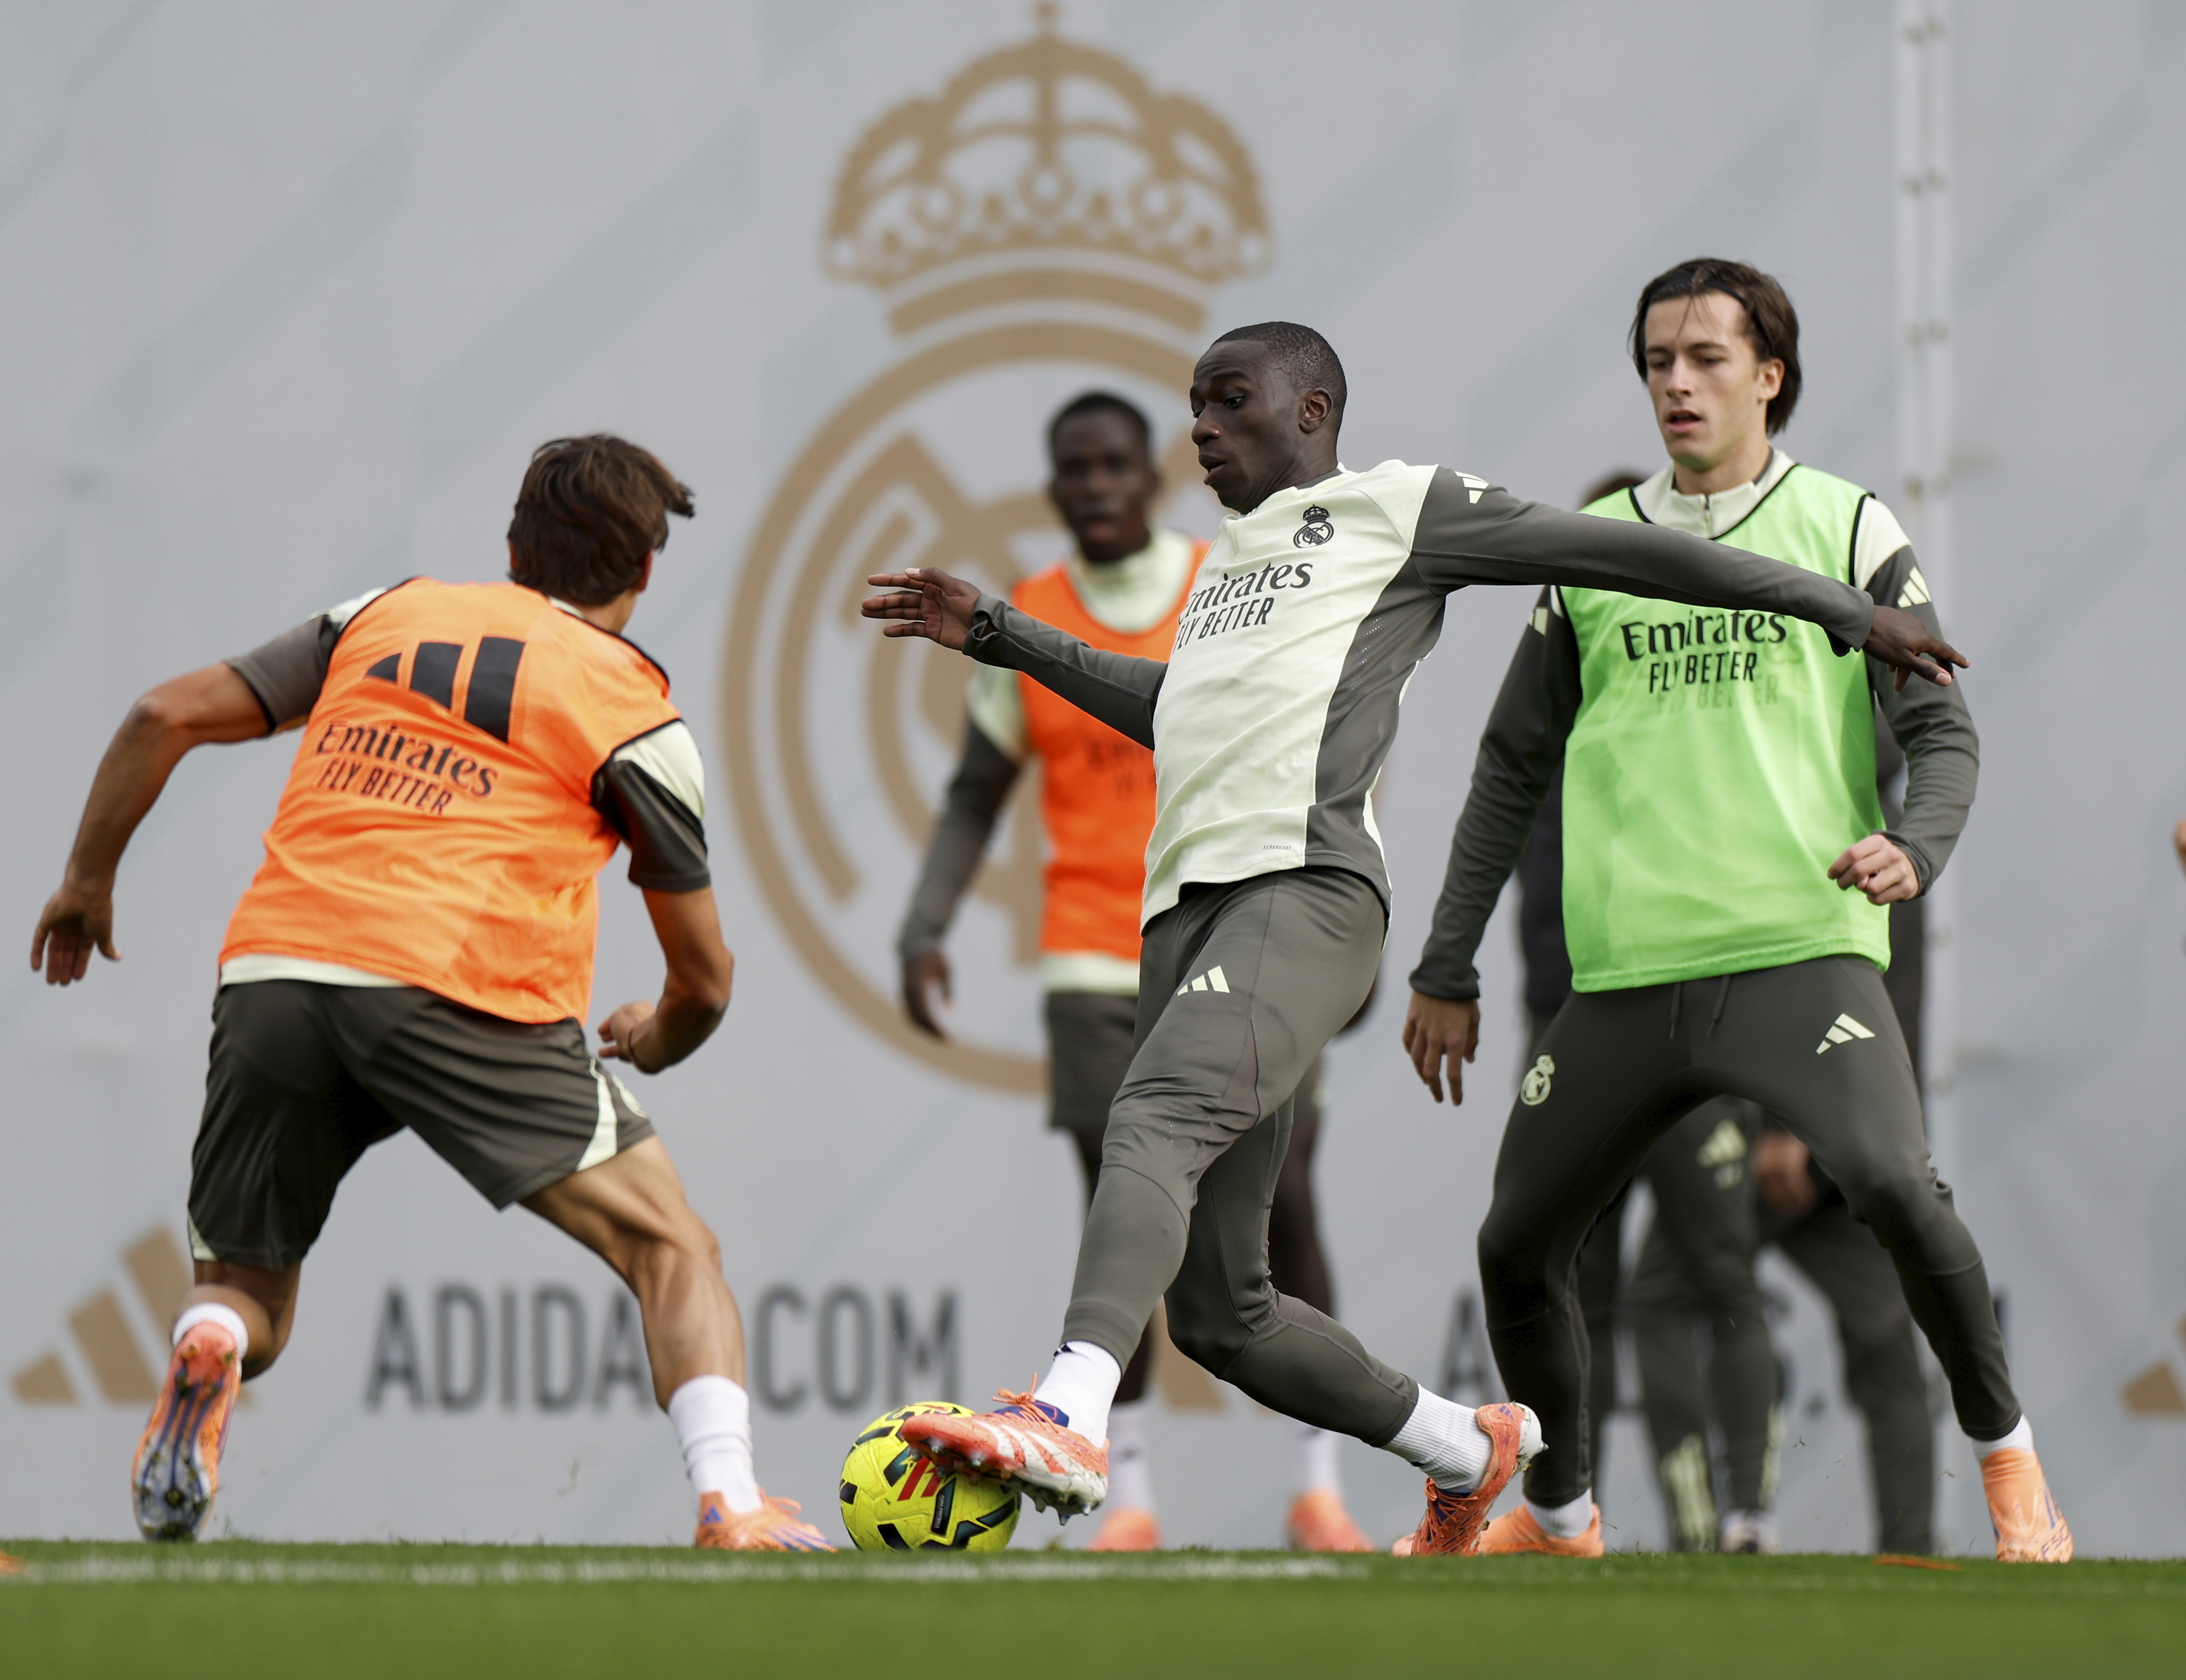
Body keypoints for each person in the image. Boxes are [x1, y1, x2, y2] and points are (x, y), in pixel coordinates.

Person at [860, 319, 1958, 1558]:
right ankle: (1462, 1448)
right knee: (1222, 1314)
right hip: (1185, 913)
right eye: (1196, 404)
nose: (1201, 428)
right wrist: (1002, 633)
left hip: (1301, 892)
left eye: (1229, 400)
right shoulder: (1230, 558)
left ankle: (1068, 1412)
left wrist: (1842, 608)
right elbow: (1179, 707)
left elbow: (1620, 551)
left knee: (1152, 1113)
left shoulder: (1398, 509)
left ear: (1312, 411)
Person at [31, 435, 829, 1552]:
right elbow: (705, 978)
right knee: (672, 1247)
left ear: (512, 547)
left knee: (249, 1299)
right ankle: (731, 1502)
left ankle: (210, 1343)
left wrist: (85, 883)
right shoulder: (634, 711)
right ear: (648, 571)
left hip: (279, 968)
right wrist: (655, 1037)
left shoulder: (386, 613)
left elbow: (162, 715)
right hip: (461, 985)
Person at [1404, 258, 2069, 1562]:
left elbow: (1944, 731)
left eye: (1707, 357)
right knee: (1517, 1245)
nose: (1678, 382)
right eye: (1659, 360)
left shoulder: (1846, 525)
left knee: (1894, 1184)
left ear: (1771, 375)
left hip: (1798, 955)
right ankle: (1560, 1515)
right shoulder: (1592, 545)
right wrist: (1446, 964)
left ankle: (2009, 1462)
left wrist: (1917, 847)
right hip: (1624, 979)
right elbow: (1508, 769)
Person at [897, 390, 1371, 1552]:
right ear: (1055, 488)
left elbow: (1320, 753)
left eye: (1114, 464)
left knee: (1288, 1204)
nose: (1096, 485)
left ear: (1152, 477)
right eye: (1076, 470)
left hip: (1245, 938)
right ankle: (1133, 1498)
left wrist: (1344, 930)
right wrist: (924, 925)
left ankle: (1320, 1489)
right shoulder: (1028, 620)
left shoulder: (1232, 585)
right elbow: (975, 795)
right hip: (1093, 962)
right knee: (1123, 1210)